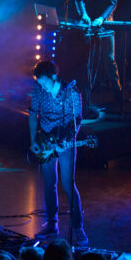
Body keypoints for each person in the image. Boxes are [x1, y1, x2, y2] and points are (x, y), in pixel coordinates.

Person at [29, 60, 87, 245]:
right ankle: (52, 224)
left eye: (44, 81)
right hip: (45, 141)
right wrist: (33, 141)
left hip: (65, 142)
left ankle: (78, 227)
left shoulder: (71, 92)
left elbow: (77, 119)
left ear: (53, 76)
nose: (42, 86)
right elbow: (32, 114)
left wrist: (68, 140)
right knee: (49, 184)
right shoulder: (39, 90)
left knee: (68, 184)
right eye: (39, 82)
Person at [74, 0, 122, 101]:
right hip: (89, 25)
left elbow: (112, 3)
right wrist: (84, 14)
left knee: (109, 59)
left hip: (106, 24)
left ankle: (118, 94)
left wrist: (102, 18)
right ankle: (86, 96)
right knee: (88, 60)